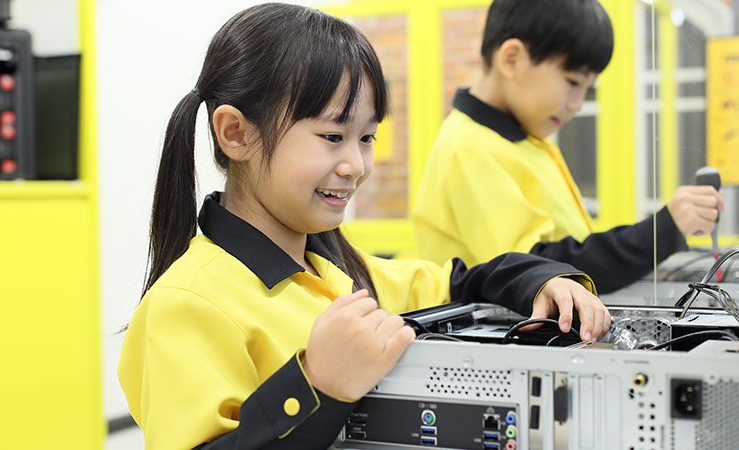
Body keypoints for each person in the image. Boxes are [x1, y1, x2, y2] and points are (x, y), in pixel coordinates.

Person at [117, 4, 611, 449]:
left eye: (368, 137)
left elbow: (460, 281)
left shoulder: (334, 273)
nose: (357, 164)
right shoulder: (185, 305)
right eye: (333, 135)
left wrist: (541, 279)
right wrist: (316, 383)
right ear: (236, 133)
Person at [412, 0, 725, 294]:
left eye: (588, 90)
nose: (577, 104)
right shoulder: (471, 148)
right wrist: (662, 230)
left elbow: (567, 251)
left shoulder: (522, 140)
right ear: (512, 60)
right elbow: (541, 271)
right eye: (573, 82)